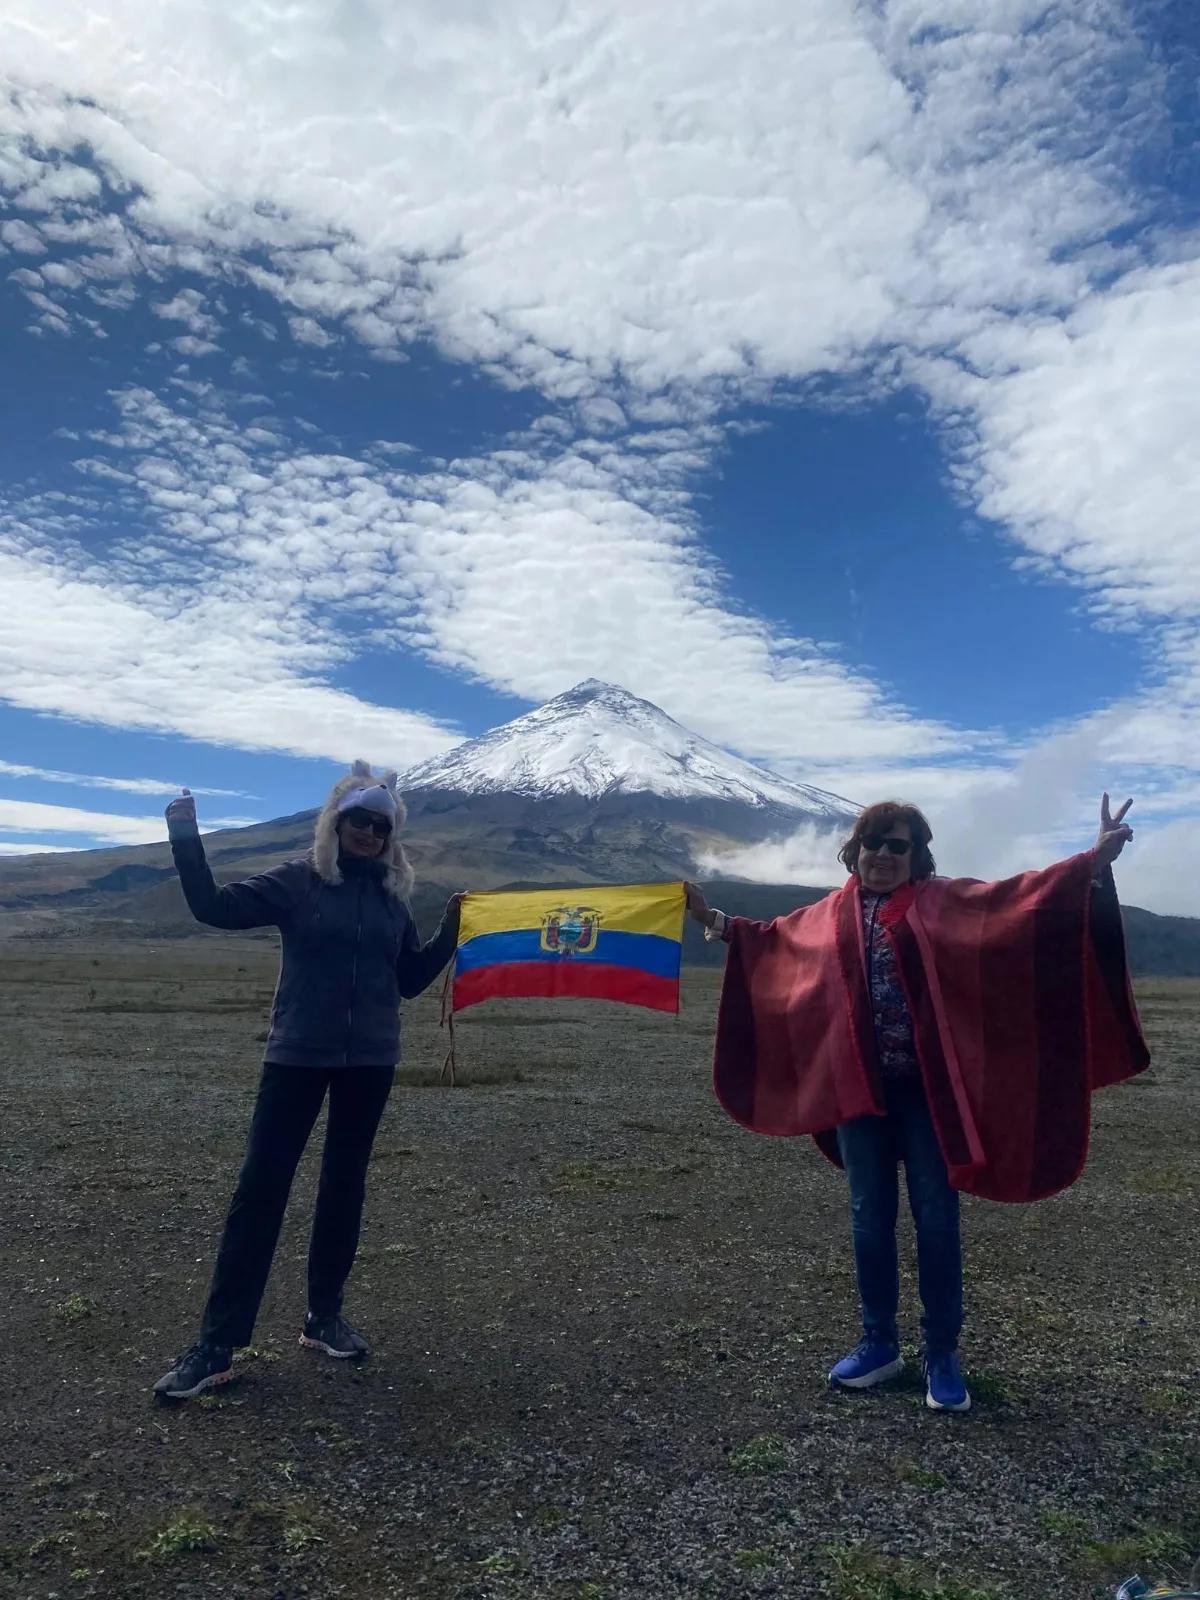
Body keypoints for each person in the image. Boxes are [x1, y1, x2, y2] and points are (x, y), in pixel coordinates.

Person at [686, 794, 1148, 1414]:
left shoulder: (946, 901)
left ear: (916, 855)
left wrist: (1092, 860)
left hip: (929, 1095)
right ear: (856, 852)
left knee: (935, 1217)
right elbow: (769, 944)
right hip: (859, 1095)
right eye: (873, 843)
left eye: (896, 844)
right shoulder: (828, 915)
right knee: (868, 1218)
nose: (882, 854)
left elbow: (1020, 902)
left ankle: (942, 1353)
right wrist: (709, 918)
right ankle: (879, 1344)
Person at [153, 761, 463, 1402]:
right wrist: (186, 837)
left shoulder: (390, 899)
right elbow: (214, 908)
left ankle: (324, 1317)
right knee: (260, 1191)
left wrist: (452, 930)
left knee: (343, 1187)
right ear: (336, 821)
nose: (371, 834)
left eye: (382, 825)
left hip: (370, 1060)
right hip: (297, 1056)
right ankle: (216, 1344)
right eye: (360, 821)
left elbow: (407, 980)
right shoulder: (299, 880)